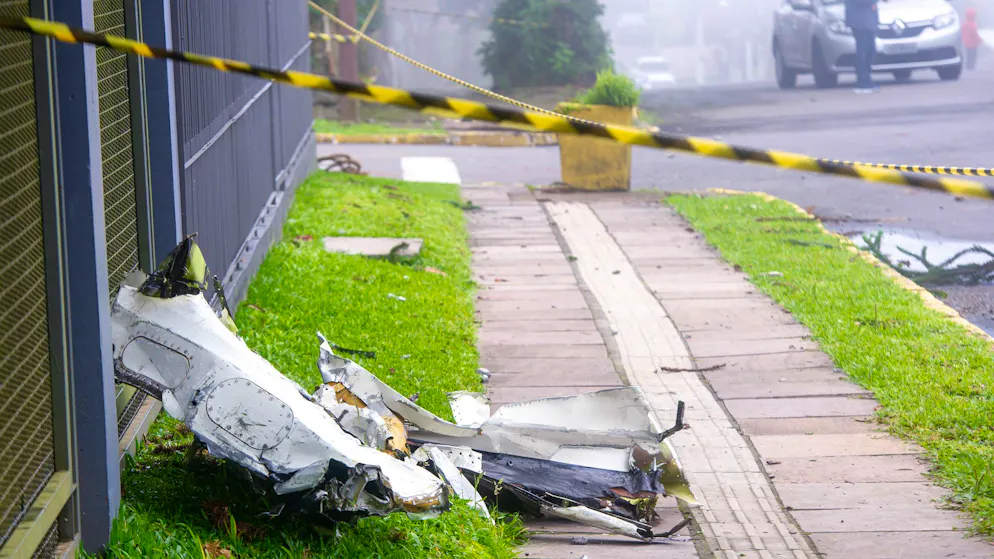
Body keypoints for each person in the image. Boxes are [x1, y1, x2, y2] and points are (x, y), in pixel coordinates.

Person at [845, 0, 885, 93]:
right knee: (863, 51)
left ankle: (867, 80)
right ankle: (862, 82)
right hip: (859, 20)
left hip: (870, 20)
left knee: (870, 50)